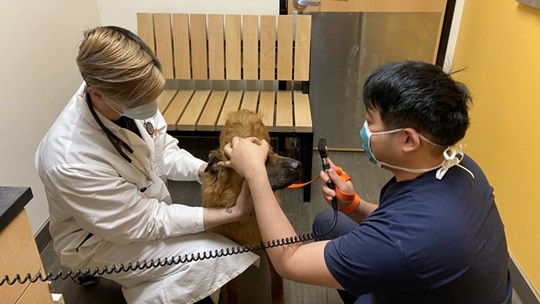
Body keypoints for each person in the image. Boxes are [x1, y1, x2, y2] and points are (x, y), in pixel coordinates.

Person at [222, 61, 512, 304]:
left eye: (370, 122)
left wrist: (256, 174)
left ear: (408, 139)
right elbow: (398, 223)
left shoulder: (407, 238)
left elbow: (289, 261)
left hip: (427, 278)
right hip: (447, 284)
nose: (364, 129)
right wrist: (355, 205)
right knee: (328, 222)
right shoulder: (458, 163)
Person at [35, 26, 258, 304]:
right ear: (96, 93)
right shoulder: (68, 159)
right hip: (97, 240)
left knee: (204, 245)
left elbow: (162, 150)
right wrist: (231, 213)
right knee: (210, 254)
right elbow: (147, 221)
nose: (150, 105)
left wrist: (206, 170)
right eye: (140, 100)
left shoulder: (126, 94)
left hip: (139, 214)